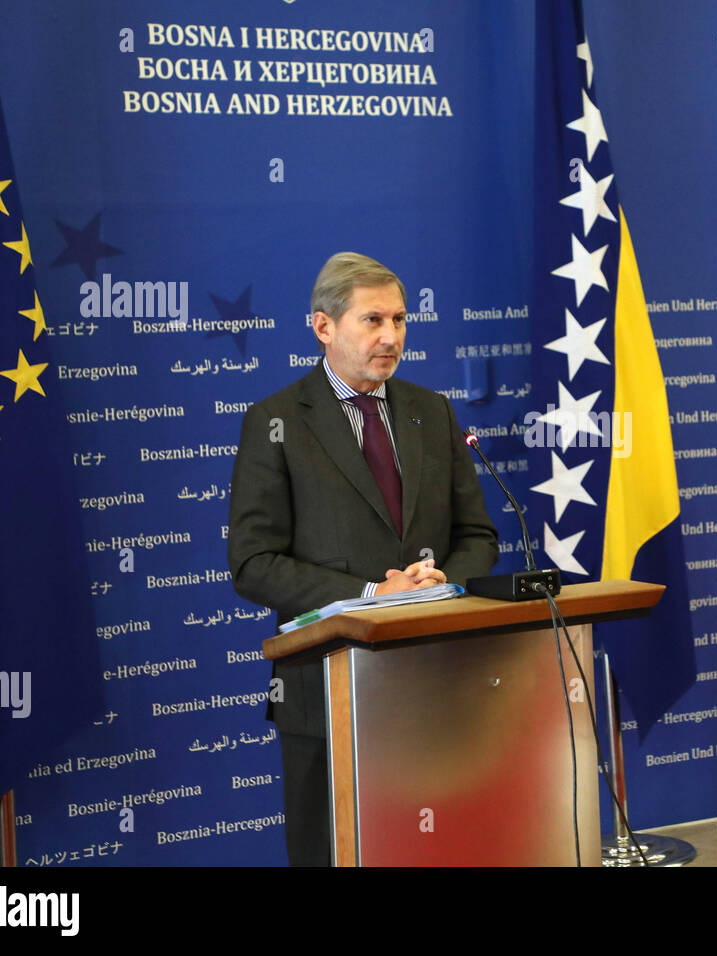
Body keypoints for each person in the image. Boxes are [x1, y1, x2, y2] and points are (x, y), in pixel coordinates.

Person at [227, 252, 499, 866]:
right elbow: (254, 562)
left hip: (435, 681)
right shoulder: (275, 422)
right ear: (323, 327)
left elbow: (478, 535)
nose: (391, 337)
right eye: (372, 320)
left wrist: (438, 581)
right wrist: (371, 597)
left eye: (400, 320)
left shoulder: (433, 411)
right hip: (327, 686)